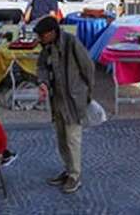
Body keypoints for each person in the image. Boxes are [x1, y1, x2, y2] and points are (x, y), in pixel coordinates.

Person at [35, 16, 95, 195]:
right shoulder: (46, 46)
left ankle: (75, 175)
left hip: (73, 100)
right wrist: (43, 82)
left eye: (42, 36)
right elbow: (42, 67)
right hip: (57, 99)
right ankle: (68, 170)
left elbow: (88, 68)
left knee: (72, 138)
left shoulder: (71, 43)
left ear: (52, 33)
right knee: (62, 138)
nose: (40, 39)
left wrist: (86, 93)